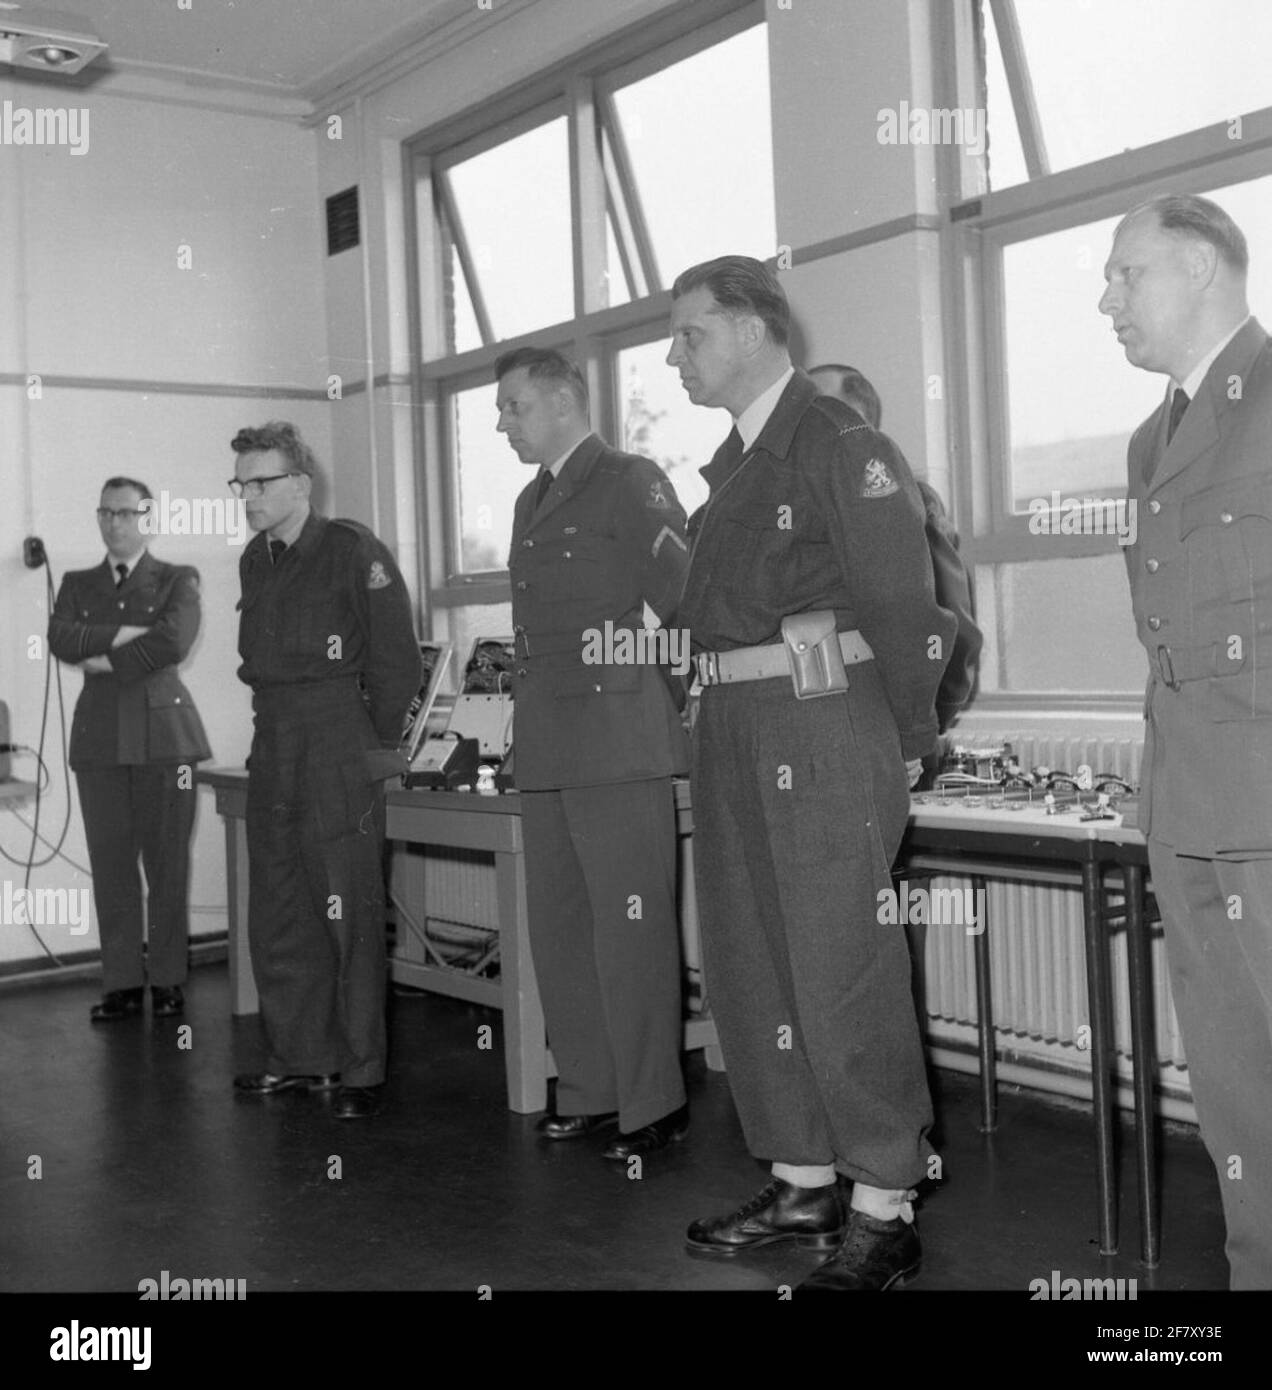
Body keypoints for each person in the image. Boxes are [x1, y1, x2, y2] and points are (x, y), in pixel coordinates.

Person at [666, 256, 955, 1290]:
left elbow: (906, 602)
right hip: (738, 718)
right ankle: (801, 1181)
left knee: (841, 964)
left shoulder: (837, 441)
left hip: (821, 716)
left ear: (750, 328)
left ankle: (883, 1200)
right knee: (752, 960)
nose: (673, 355)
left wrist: (907, 734)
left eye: (689, 333)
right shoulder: (736, 463)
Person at [1100, 193, 1272, 1288]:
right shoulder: (1149, 437)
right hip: (1191, 802)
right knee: (1233, 1085)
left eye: (1128, 274)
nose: (1108, 301)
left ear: (1204, 265)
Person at [496, 346, 691, 1161]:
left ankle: (653, 1103)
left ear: (566, 401)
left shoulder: (629, 479)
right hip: (545, 739)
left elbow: (686, 601)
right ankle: (589, 1088)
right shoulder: (527, 500)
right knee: (561, 926)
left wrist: (672, 713)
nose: (504, 422)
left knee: (631, 925)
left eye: (514, 406)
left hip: (616, 739)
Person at [229, 422, 420, 1121]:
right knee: (280, 907)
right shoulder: (256, 560)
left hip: (337, 735)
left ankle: (361, 1067)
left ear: (301, 484)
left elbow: (397, 662)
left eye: (262, 481)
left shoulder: (350, 551)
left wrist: (372, 752)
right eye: (241, 483)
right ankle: (298, 1054)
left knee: (349, 909)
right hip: (273, 736)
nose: (248, 494)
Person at [49, 478, 211, 1023]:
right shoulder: (76, 582)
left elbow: (174, 640)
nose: (114, 522)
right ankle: (121, 982)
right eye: (105, 512)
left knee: (166, 864)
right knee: (112, 866)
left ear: (147, 518)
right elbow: (61, 641)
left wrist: (106, 650)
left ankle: (166, 980)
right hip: (99, 742)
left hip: (166, 743)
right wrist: (130, 632)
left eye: (124, 513)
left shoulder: (176, 578)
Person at [807, 364, 982, 734]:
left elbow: (951, 625)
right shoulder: (802, 512)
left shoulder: (910, 501)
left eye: (824, 409)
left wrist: (924, 725)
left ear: (862, 423)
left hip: (897, 731)